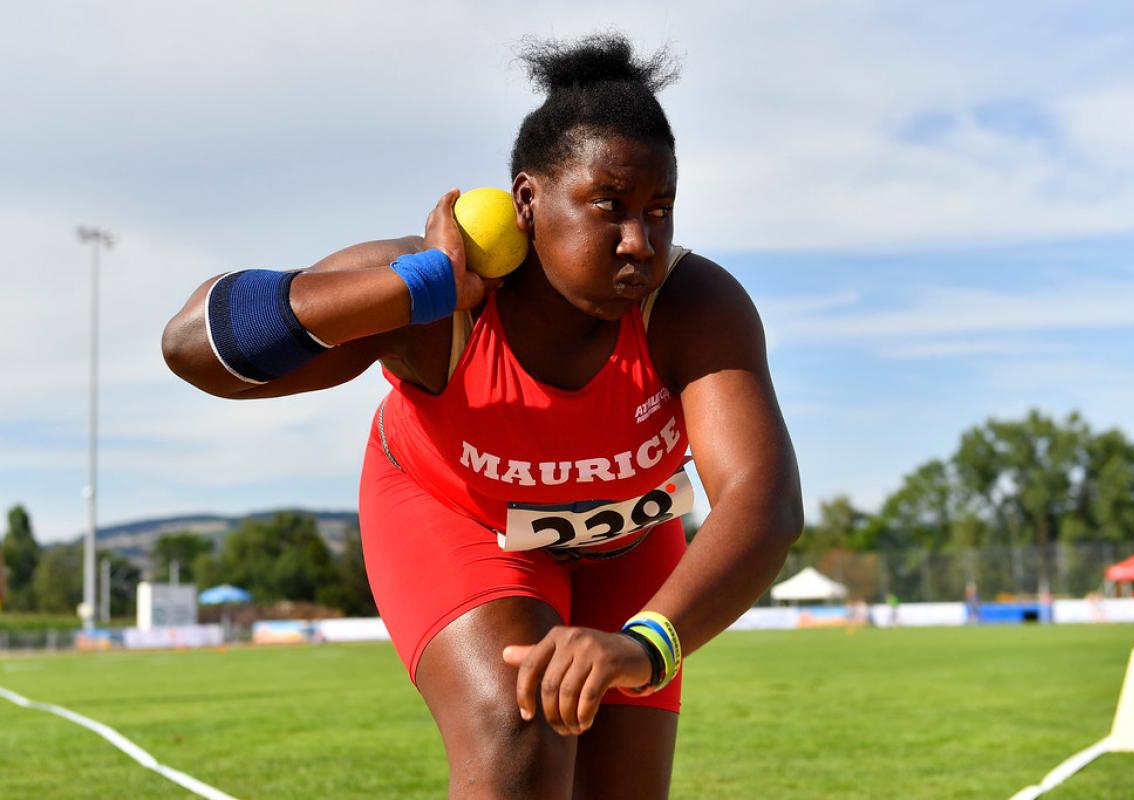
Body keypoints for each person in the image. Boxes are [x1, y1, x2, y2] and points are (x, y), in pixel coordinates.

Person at [162, 33, 803, 799]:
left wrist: (647, 642)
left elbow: (763, 499)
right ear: (526, 201)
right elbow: (196, 346)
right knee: (522, 722)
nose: (640, 242)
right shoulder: (440, 299)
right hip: (457, 517)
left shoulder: (694, 308)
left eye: (658, 210)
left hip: (629, 542)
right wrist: (418, 287)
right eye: (610, 206)